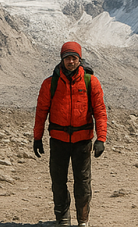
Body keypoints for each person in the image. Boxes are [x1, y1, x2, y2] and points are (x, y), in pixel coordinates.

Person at [34, 41, 108, 227]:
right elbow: (41, 111)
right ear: (62, 59)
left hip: (82, 142)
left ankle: (83, 220)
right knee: (58, 181)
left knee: (82, 183)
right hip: (58, 140)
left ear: (80, 60)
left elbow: (99, 111)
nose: (71, 61)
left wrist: (101, 138)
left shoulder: (91, 82)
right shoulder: (50, 84)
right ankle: (63, 219)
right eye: (67, 58)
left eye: (74, 58)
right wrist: (37, 137)